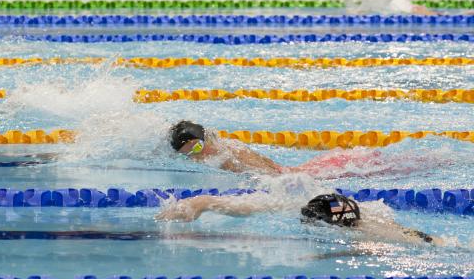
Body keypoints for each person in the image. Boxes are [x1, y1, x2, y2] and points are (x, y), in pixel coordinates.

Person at [156, 192, 439, 246]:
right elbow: (244, 205)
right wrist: (200, 203)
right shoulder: (294, 203)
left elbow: (425, 241)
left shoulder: (374, 232)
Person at [170, 120, 402, 178]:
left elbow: (272, 177)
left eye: (198, 147)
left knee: (407, 167)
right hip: (316, 167)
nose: (198, 155)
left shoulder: (229, 154)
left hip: (321, 170)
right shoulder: (225, 150)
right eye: (189, 153)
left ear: (206, 140)